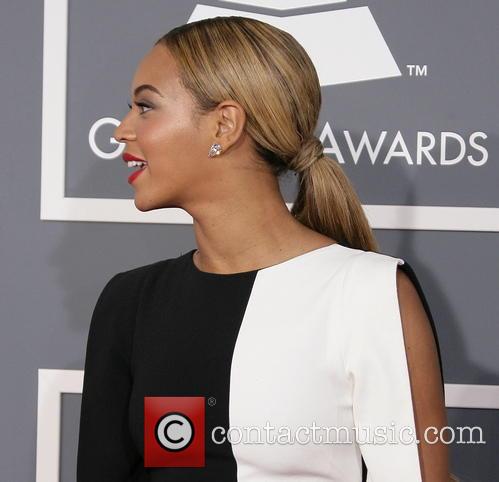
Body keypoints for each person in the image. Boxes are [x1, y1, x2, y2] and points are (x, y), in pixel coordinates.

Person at [77, 16, 455, 482]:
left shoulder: (370, 294)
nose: (121, 130)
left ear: (224, 125)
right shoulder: (130, 303)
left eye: (145, 107)